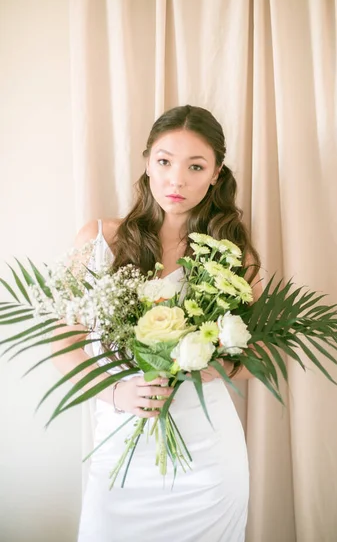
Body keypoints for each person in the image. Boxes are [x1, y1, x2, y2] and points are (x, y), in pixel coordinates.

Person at [53, 105, 262, 542]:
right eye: (165, 162)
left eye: (196, 166)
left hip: (207, 462)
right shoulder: (99, 239)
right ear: (147, 162)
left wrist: (210, 365)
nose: (177, 180)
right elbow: (63, 343)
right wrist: (116, 391)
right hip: (120, 452)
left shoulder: (233, 257)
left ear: (216, 174)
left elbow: (254, 354)